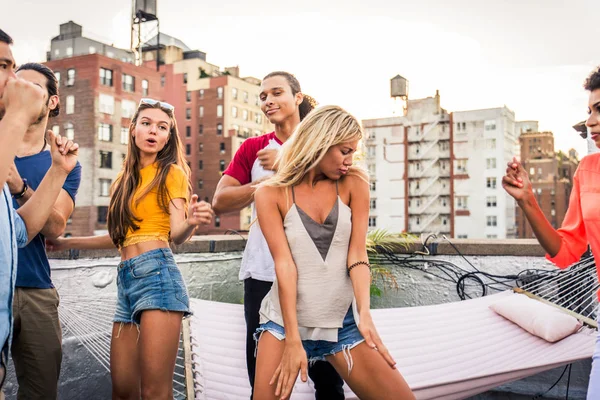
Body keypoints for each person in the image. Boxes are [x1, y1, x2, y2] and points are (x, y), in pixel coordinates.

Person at [46, 99, 214, 399]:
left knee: (154, 392)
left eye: (162, 127)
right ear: (133, 129)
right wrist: (65, 242)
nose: (153, 131)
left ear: (167, 138)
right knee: (123, 391)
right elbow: (119, 237)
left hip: (158, 277)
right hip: (126, 281)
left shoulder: (172, 173)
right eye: (147, 123)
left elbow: (177, 234)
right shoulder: (121, 183)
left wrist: (192, 221)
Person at [253, 105, 415, 400]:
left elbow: (357, 255)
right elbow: (285, 266)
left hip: (344, 325)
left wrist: (364, 313)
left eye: (353, 152)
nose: (349, 160)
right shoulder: (270, 194)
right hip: (282, 325)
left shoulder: (354, 183)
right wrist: (292, 338)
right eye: (344, 151)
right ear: (320, 141)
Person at [213, 72, 346, 398]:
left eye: (276, 93)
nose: (268, 101)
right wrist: (264, 184)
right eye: (262, 96)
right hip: (263, 275)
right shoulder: (253, 149)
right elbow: (220, 201)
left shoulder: (325, 146)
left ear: (298, 97)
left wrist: (289, 161)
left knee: (328, 379)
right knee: (263, 379)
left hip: (319, 277)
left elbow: (342, 195)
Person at [502, 66, 600, 400]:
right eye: (589, 111)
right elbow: (566, 250)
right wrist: (528, 201)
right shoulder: (587, 171)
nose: (590, 122)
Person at [0, 29, 80, 399]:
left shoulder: (62, 159)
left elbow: (51, 228)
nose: (19, 90)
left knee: (41, 390)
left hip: (35, 288)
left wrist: (24, 186)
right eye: (13, 79)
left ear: (51, 102)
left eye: (31, 88)